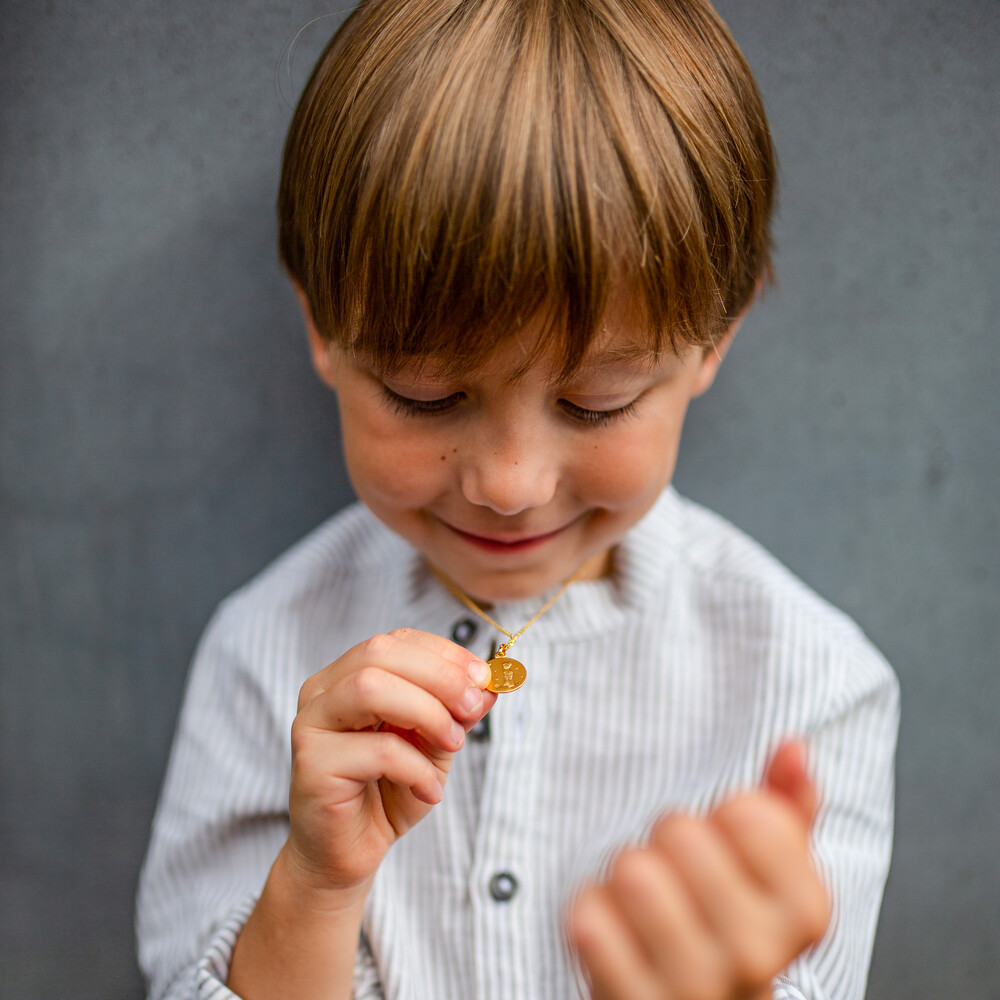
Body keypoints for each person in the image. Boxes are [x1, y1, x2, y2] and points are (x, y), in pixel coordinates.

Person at [136, 1, 899, 998]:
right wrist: (316, 885)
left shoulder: (809, 687)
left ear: (716, 338)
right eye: (424, 394)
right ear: (320, 325)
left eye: (596, 403)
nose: (508, 484)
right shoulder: (265, 652)